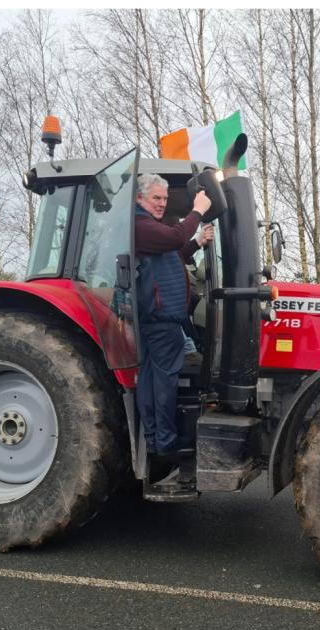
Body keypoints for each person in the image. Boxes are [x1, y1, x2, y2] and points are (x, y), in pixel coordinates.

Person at [134, 173, 213, 458]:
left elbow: (174, 251)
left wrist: (198, 243)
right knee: (163, 381)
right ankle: (165, 442)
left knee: (151, 379)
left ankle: (157, 438)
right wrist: (198, 211)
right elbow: (175, 237)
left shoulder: (149, 228)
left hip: (160, 318)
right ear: (139, 198)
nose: (162, 204)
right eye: (156, 198)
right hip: (161, 318)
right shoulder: (140, 225)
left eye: (164, 199)